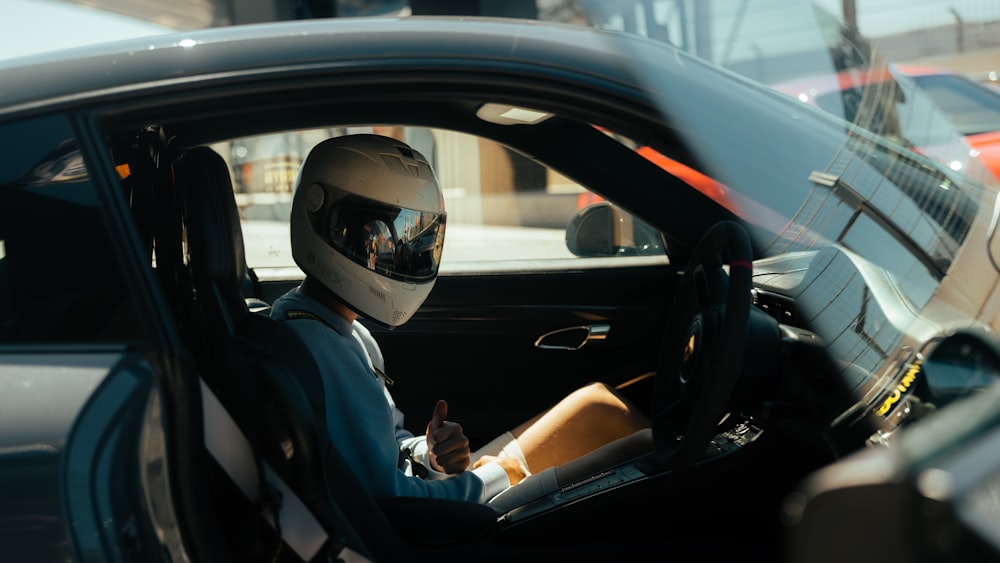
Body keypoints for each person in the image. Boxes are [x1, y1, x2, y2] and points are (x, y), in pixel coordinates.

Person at [270, 133, 650, 507]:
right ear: (322, 217)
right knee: (644, 445)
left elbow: (385, 447)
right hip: (454, 520)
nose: (401, 252)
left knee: (598, 406)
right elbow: (390, 503)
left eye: (414, 237)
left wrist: (428, 454)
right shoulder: (321, 349)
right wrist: (499, 475)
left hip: (443, 496)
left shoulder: (334, 328)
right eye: (379, 235)